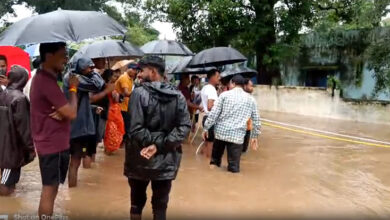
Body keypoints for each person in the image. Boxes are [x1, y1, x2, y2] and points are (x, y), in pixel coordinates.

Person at [125, 56, 191, 220]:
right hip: (167, 159)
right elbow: (184, 128)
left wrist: (154, 145)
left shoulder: (138, 94)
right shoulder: (178, 96)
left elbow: (135, 129)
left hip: (139, 158)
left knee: (136, 204)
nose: (139, 74)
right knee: (160, 206)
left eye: (142, 70)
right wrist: (160, 145)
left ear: (153, 71)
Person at [30, 42, 79, 218]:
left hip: (53, 143)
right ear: (49, 56)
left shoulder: (48, 79)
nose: (66, 59)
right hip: (52, 145)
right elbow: (72, 112)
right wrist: (73, 88)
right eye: (63, 55)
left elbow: (64, 110)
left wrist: (63, 110)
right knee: (49, 191)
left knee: (53, 188)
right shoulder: (44, 80)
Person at [203, 75, 261, 173]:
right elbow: (256, 120)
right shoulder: (251, 99)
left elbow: (213, 114)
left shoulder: (224, 95)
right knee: (234, 169)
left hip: (220, 134)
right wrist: (255, 136)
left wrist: (206, 128)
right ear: (243, 85)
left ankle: (212, 179)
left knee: (214, 163)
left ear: (233, 83)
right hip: (237, 138)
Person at [63, 57, 105, 187]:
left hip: (74, 125)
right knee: (75, 161)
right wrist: (95, 72)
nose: (91, 69)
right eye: (89, 67)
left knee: (75, 160)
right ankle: (72, 190)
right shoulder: (75, 78)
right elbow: (98, 85)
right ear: (81, 67)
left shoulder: (72, 76)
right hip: (77, 127)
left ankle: (72, 192)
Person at [0, 65, 36, 196]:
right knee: (6, 183)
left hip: (4, 144)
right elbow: (24, 128)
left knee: (10, 180)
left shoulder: (3, 94)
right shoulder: (19, 98)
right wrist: (31, 147)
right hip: (12, 147)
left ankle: (9, 212)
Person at [115, 62, 139, 146]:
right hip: (121, 107)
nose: (135, 72)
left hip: (127, 106)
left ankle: (122, 143)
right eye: (134, 69)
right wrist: (138, 93)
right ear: (129, 69)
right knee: (124, 127)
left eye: (136, 70)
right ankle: (120, 144)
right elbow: (126, 93)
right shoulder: (124, 78)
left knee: (126, 126)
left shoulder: (131, 78)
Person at [103, 69, 125, 154]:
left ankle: (107, 149)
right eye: (114, 76)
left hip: (110, 110)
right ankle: (108, 150)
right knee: (113, 131)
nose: (116, 78)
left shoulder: (104, 85)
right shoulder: (110, 87)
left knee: (109, 130)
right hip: (113, 110)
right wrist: (117, 94)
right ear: (109, 77)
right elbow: (116, 99)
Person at [200, 69, 220, 158]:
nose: (219, 78)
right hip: (210, 118)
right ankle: (208, 165)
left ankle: (203, 164)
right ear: (212, 77)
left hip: (205, 118)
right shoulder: (211, 89)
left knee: (206, 142)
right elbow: (210, 106)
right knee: (211, 144)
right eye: (217, 76)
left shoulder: (205, 87)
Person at [243, 79, 254, 153]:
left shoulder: (251, 98)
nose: (252, 88)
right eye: (251, 86)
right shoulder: (245, 98)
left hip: (248, 127)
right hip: (243, 127)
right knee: (242, 149)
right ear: (245, 86)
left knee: (243, 149)